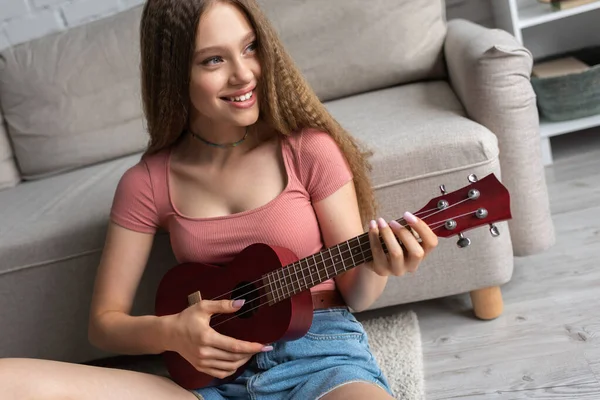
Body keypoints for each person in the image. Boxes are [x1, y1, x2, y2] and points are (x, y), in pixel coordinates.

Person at [0, 0, 439, 399]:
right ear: (174, 73)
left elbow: (357, 294)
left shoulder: (307, 148)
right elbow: (105, 324)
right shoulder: (146, 182)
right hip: (211, 382)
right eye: (214, 59)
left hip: (321, 359)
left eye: (249, 48)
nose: (244, 73)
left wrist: (382, 266)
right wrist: (174, 333)